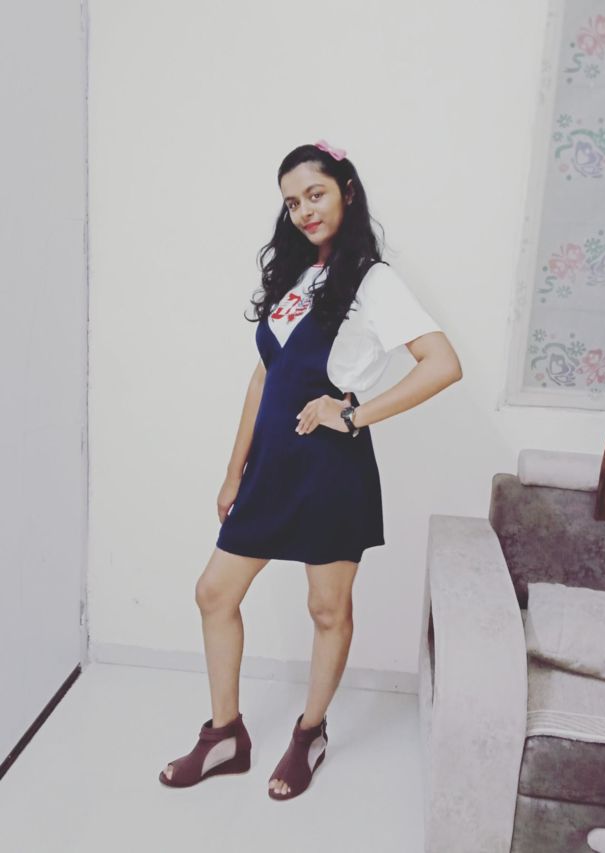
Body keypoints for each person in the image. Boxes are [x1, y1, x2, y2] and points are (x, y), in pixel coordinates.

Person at [159, 139, 463, 800]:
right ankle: (225, 735)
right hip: (270, 466)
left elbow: (443, 363)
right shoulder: (295, 279)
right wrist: (234, 470)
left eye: (315, 194)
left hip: (330, 468)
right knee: (215, 593)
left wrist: (353, 414)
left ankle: (309, 733)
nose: (304, 211)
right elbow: (263, 377)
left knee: (327, 608)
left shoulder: (374, 282)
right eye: (293, 202)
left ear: (347, 191)